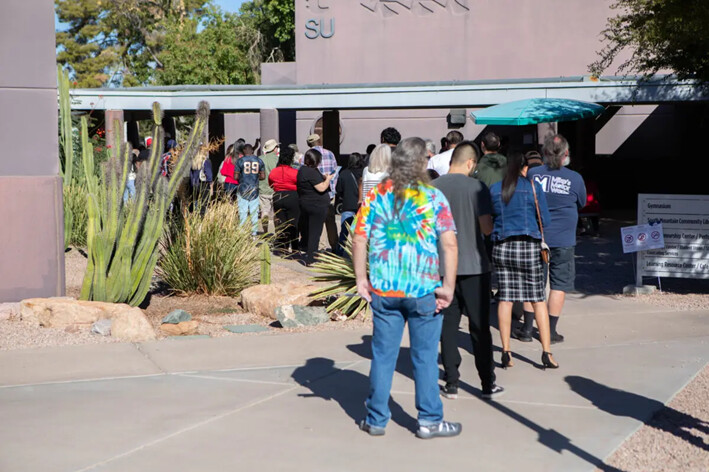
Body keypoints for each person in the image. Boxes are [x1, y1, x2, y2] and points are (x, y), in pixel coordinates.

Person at [353, 137, 460, 440]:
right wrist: (448, 286)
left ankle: (376, 418)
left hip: (385, 291)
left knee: (383, 356)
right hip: (423, 289)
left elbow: (359, 238)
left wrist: (361, 278)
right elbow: (449, 243)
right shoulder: (433, 197)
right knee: (424, 357)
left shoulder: (376, 196)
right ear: (423, 163)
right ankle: (429, 419)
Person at [432, 142, 503, 401]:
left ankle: (451, 382)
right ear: (471, 163)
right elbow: (486, 228)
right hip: (475, 265)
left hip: (441, 267)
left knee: (447, 324)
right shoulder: (477, 187)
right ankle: (487, 382)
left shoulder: (434, 187)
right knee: (479, 326)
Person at [489, 152, 558, 370]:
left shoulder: (494, 189)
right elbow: (544, 220)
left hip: (502, 246)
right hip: (529, 246)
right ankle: (546, 352)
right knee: (538, 299)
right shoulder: (533, 188)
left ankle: (506, 352)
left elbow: (489, 219)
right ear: (524, 168)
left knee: (505, 300)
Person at [526, 134, 586, 344]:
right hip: (564, 238)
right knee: (559, 283)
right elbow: (582, 202)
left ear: (544, 152)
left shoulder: (533, 174)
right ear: (566, 154)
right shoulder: (575, 178)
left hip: (536, 236)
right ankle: (550, 330)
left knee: (533, 282)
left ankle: (527, 328)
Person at [297, 149, 334, 265]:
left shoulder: (304, 170)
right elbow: (321, 188)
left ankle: (309, 253)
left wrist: (323, 177)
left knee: (310, 231)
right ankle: (311, 259)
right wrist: (328, 180)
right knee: (315, 232)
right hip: (316, 205)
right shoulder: (310, 172)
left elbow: (314, 181)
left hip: (308, 204)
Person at [303, 133, 339, 251]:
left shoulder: (307, 156)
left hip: (314, 194)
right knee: (330, 221)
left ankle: (319, 247)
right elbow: (335, 172)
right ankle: (334, 246)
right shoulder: (330, 154)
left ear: (309, 144)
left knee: (316, 222)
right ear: (320, 141)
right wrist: (332, 186)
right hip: (329, 194)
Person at [269, 146, 300, 253]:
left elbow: (271, 184)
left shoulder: (274, 171)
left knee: (281, 223)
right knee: (293, 223)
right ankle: (295, 248)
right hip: (292, 196)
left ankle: (283, 247)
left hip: (278, 196)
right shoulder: (295, 172)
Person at [335, 152, 364, 254]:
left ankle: (340, 252)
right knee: (363, 233)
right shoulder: (364, 173)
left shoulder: (344, 173)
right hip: (362, 207)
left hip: (348, 206)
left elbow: (338, 190)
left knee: (344, 232)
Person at [234, 144, 265, 236]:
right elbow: (263, 177)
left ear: (244, 151)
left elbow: (235, 176)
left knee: (242, 212)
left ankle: (241, 232)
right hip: (254, 189)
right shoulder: (259, 160)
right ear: (252, 151)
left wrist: (243, 178)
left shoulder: (240, 161)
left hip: (242, 189)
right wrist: (255, 177)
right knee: (254, 213)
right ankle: (254, 233)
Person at [259, 139, 280, 233]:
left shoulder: (260, 159)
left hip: (262, 189)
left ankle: (265, 232)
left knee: (264, 211)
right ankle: (277, 232)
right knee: (276, 213)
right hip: (276, 189)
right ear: (275, 148)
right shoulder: (278, 159)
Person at [190, 144, 213, 214]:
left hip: (195, 185)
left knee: (195, 202)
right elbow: (209, 175)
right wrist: (211, 186)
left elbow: (191, 175)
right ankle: (202, 218)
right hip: (204, 185)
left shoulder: (194, 162)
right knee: (204, 204)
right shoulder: (206, 161)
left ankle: (193, 216)